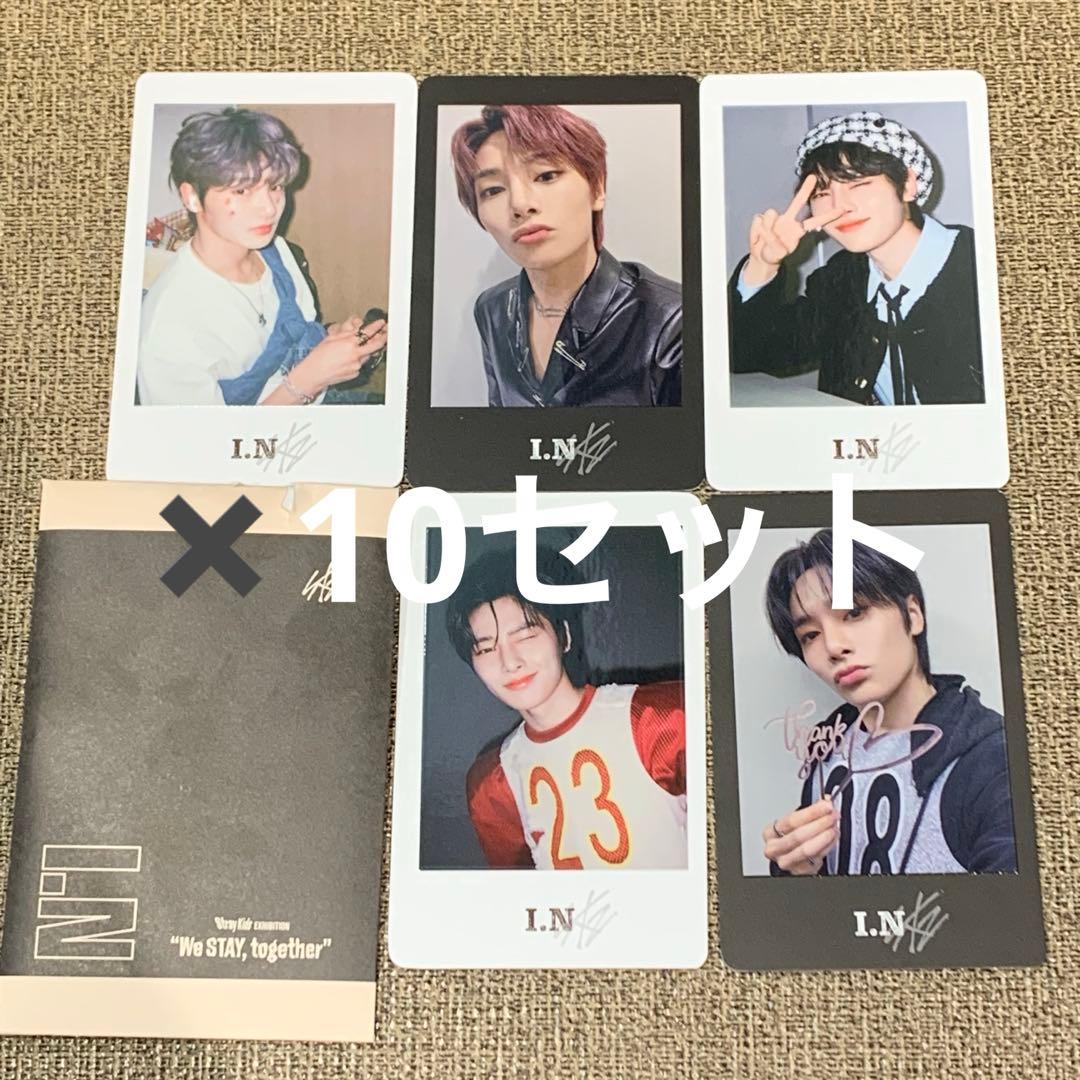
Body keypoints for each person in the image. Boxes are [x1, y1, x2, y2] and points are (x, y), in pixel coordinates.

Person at [760, 529, 1017, 876]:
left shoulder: (994, 758)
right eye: (810, 635)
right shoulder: (827, 749)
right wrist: (791, 872)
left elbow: (1013, 904)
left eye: (854, 612)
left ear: (913, 615)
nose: (833, 646)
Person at [446, 547, 687, 869]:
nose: (510, 662)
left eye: (525, 635)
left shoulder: (663, 719)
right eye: (486, 649)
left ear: (564, 636)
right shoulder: (492, 783)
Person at [729, 110, 984, 405]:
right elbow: (747, 354)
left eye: (859, 184)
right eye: (822, 193)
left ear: (907, 184)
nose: (840, 206)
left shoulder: (979, 268)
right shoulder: (839, 280)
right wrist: (763, 264)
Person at [137, 107, 387, 406]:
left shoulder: (275, 250)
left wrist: (335, 341)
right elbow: (208, 438)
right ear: (192, 197)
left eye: (275, 186)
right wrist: (310, 378)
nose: (269, 208)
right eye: (242, 190)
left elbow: (289, 343)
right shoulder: (169, 327)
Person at [450, 104, 682, 407]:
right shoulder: (493, 310)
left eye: (546, 175)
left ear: (596, 188)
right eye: (493, 190)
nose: (520, 205)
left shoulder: (671, 322)